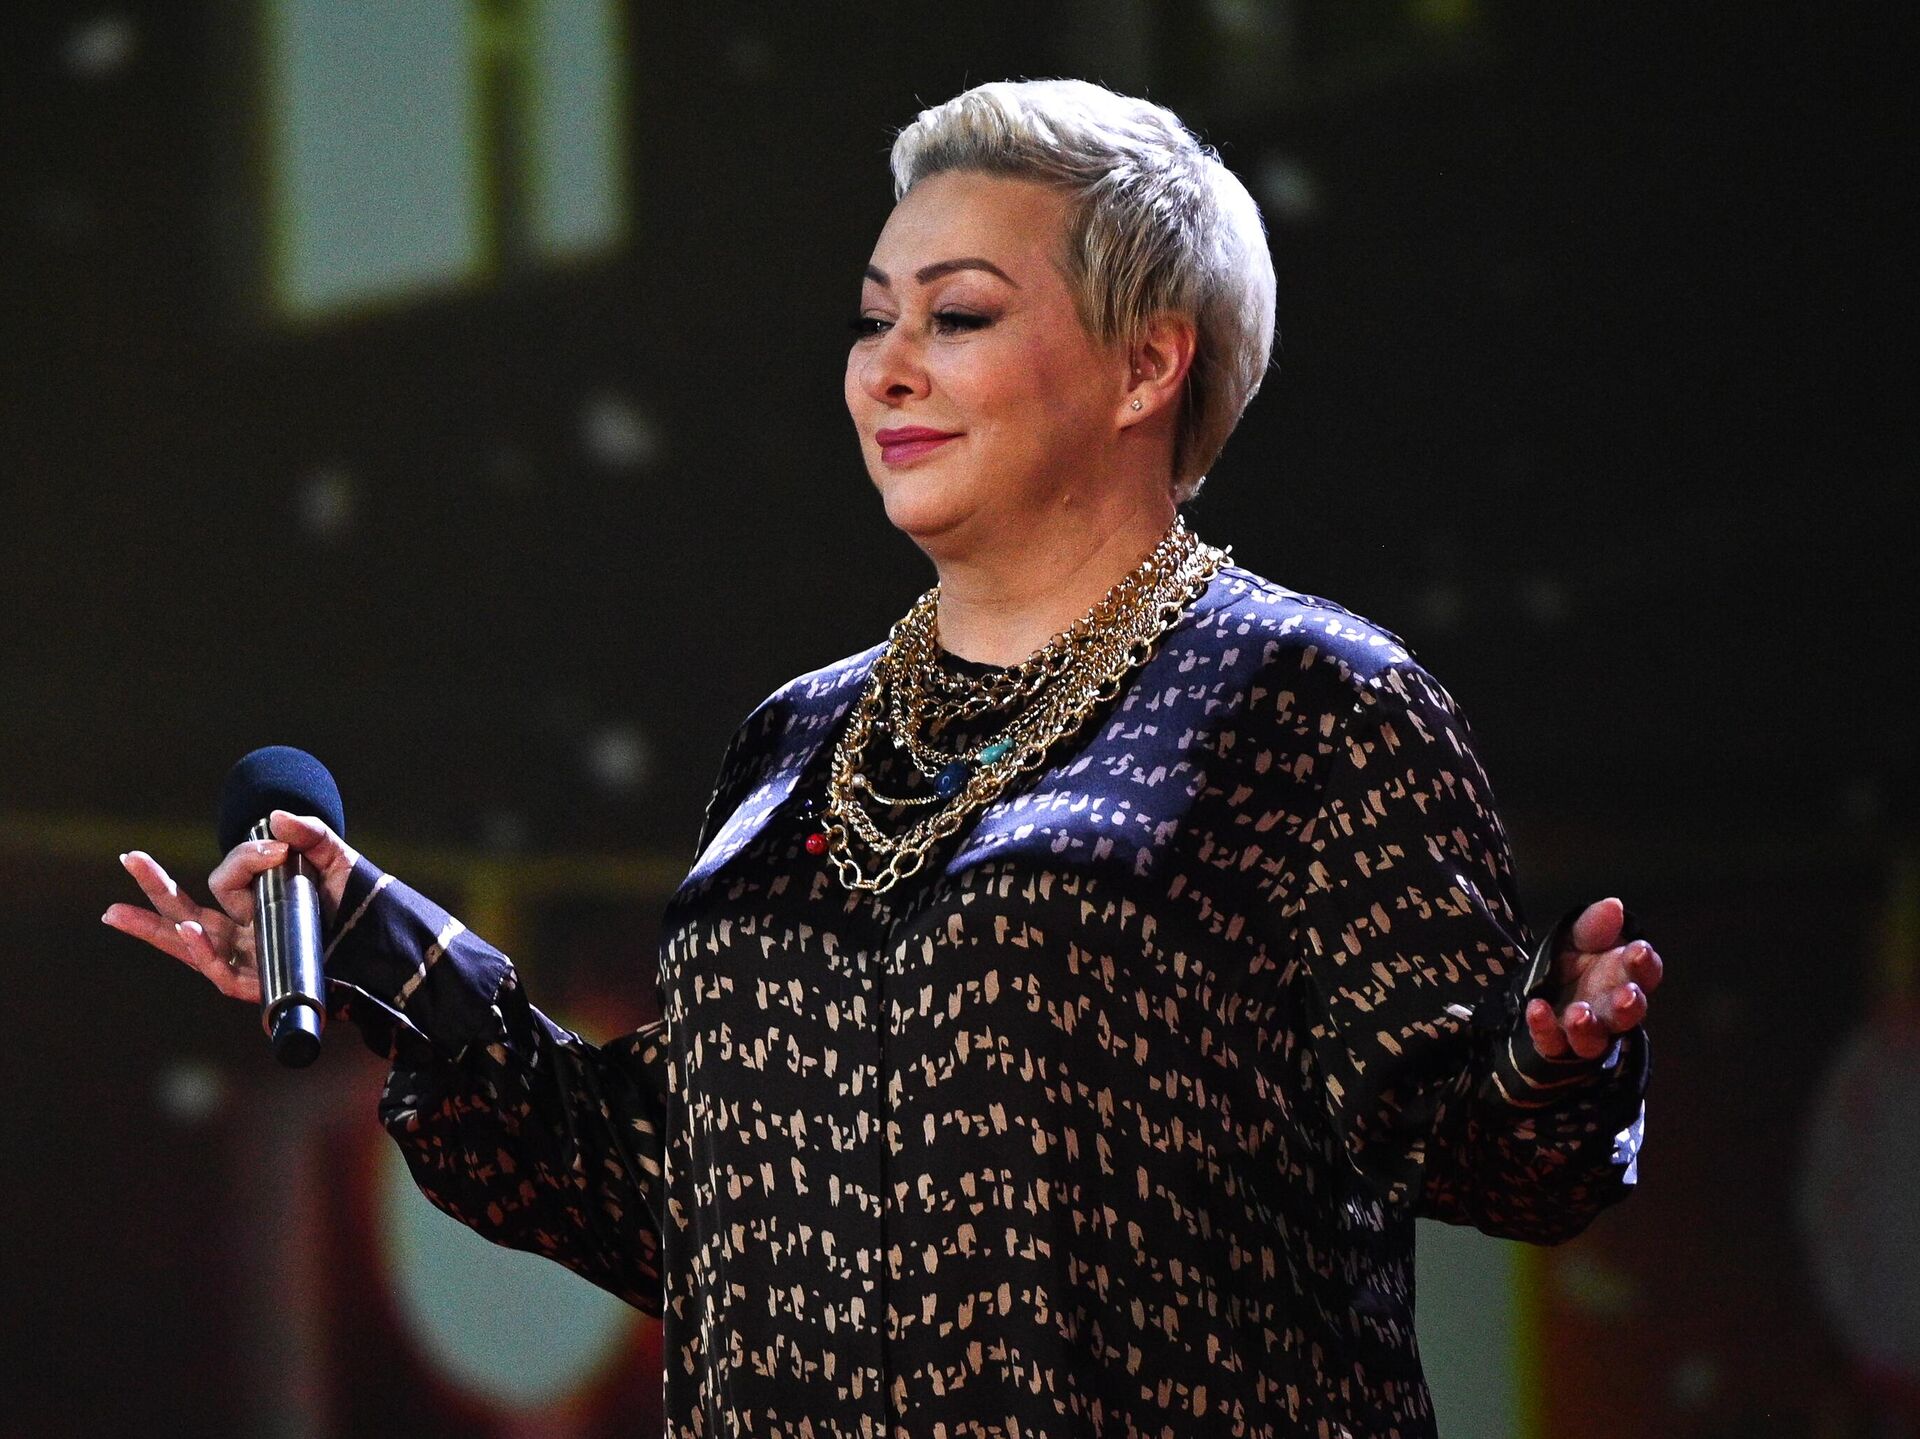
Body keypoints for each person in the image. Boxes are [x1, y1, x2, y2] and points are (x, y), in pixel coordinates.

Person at [104, 79, 1661, 1439]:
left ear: (1145, 366)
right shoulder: (797, 737)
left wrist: (1552, 1060)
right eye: (874, 317)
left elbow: (1484, 1155)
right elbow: (679, 1203)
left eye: (957, 315)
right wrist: (373, 939)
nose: (886, 368)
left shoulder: (1312, 702)